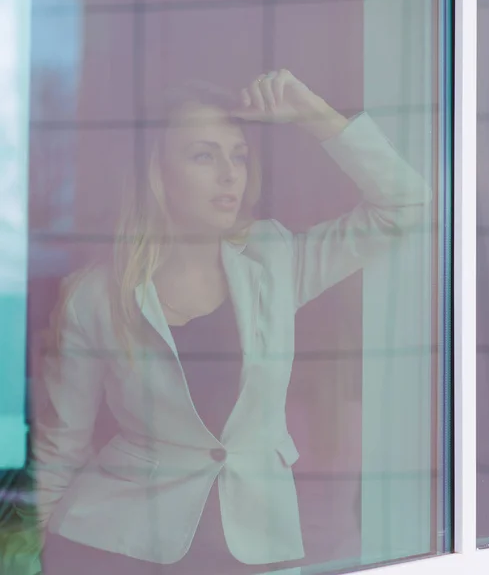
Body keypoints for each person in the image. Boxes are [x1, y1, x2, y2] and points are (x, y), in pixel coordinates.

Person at [22, 69, 429, 575]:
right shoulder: (94, 296)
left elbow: (404, 206)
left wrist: (313, 114)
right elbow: (62, 445)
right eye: (203, 156)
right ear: (159, 174)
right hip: (114, 545)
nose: (229, 174)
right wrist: (31, 554)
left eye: (237, 155)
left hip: (254, 548)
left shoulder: (273, 259)